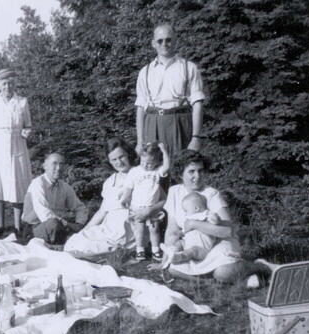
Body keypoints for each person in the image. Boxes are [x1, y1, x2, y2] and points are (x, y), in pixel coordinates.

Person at [149, 150, 271, 285]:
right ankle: (215, 282)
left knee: (223, 272)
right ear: (180, 174)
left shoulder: (212, 194)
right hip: (195, 245)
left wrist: (195, 224)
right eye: (191, 171)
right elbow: (172, 231)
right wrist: (164, 261)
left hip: (220, 243)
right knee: (172, 268)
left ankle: (260, 266)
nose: (197, 176)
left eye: (200, 171)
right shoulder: (174, 192)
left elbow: (227, 231)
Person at [135, 23, 205, 158]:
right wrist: (140, 141)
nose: (164, 44)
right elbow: (140, 108)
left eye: (168, 40)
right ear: (153, 43)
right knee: (153, 171)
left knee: (180, 168)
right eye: (160, 41)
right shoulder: (145, 71)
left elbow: (197, 104)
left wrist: (196, 136)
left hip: (180, 123)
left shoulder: (189, 68)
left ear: (175, 41)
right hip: (152, 123)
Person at [64, 138, 136, 255]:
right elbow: (102, 212)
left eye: (121, 157)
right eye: (114, 159)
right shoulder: (110, 182)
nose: (119, 162)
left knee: (85, 250)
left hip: (126, 229)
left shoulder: (140, 176)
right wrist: (83, 231)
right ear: (109, 161)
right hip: (108, 227)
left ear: (128, 154)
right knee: (73, 242)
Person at [0, 68, 33, 233]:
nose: (7, 86)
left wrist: (26, 133)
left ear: (14, 83)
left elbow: (28, 126)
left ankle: (18, 227)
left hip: (17, 146)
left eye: (10, 83)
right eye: (4, 83)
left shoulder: (22, 102)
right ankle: (0, 226)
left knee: (17, 186)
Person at [22, 153, 88, 247]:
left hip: (58, 225)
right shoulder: (37, 184)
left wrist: (79, 224)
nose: (58, 168)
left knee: (88, 221)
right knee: (53, 223)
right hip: (34, 228)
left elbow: (80, 207)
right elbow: (44, 214)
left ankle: (65, 240)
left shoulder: (65, 187)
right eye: (54, 164)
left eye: (61, 164)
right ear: (45, 166)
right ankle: (64, 242)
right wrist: (67, 225)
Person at [119, 142, 170, 261]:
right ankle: (140, 250)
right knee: (139, 229)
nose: (145, 165)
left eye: (149, 163)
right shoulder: (135, 171)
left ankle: (156, 250)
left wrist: (164, 150)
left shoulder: (157, 171)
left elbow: (167, 166)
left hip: (152, 207)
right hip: (137, 207)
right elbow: (128, 187)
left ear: (156, 162)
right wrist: (125, 198)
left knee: (154, 229)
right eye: (143, 162)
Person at [160, 192, 219, 267]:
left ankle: (178, 257)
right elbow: (186, 232)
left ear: (196, 208)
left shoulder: (205, 214)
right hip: (188, 244)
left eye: (186, 210)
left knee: (192, 250)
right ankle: (172, 251)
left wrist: (213, 217)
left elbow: (215, 222)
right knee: (180, 243)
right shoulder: (189, 220)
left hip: (202, 250)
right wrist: (179, 233)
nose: (185, 213)